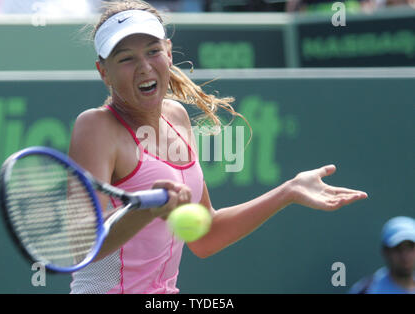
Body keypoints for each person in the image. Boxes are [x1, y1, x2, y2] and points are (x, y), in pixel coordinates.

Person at [68, 0, 368, 294]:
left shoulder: (177, 117)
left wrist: (288, 191)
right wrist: (147, 209)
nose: (144, 66)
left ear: (169, 53)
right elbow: (82, 243)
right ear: (103, 71)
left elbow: (205, 235)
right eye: (126, 58)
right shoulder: (96, 126)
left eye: (153, 51)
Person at [349, 216, 415, 294]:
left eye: (411, 247)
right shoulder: (367, 290)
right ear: (385, 251)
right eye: (398, 248)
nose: (405, 255)